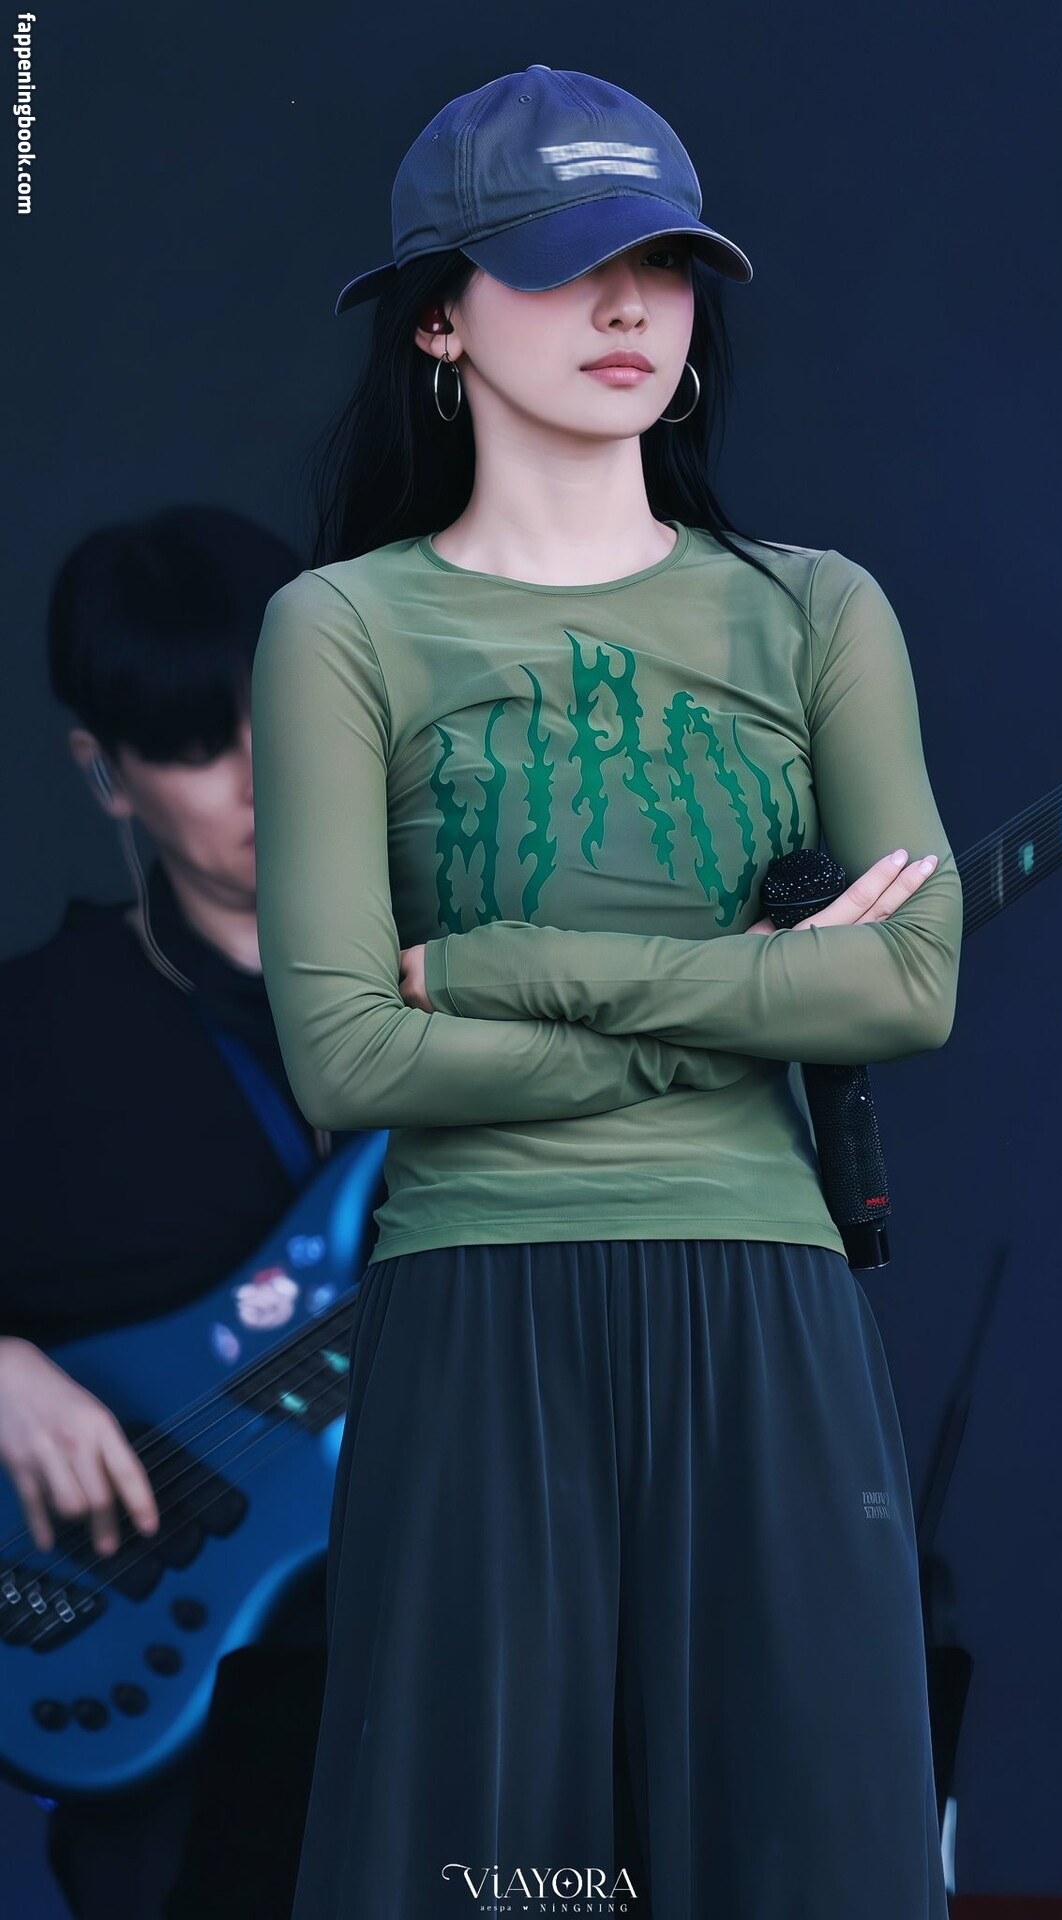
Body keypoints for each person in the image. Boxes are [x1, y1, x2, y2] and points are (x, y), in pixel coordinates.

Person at [249, 66, 962, 1920]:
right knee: (481, 1877)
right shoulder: (343, 628)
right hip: (478, 1312)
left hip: (772, 1305)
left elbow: (907, 984)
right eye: (566, 267)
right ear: (438, 320)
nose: (629, 306)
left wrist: (509, 972)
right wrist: (747, 1003)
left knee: (818, 1867)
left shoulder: (816, 612)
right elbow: (347, 1054)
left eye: (661, 263)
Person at [0, 505, 380, 1919]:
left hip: (481, 1677)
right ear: (107, 774)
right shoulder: (31, 1040)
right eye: (193, 743)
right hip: (190, 1791)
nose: (263, 779)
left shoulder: (483, 986)